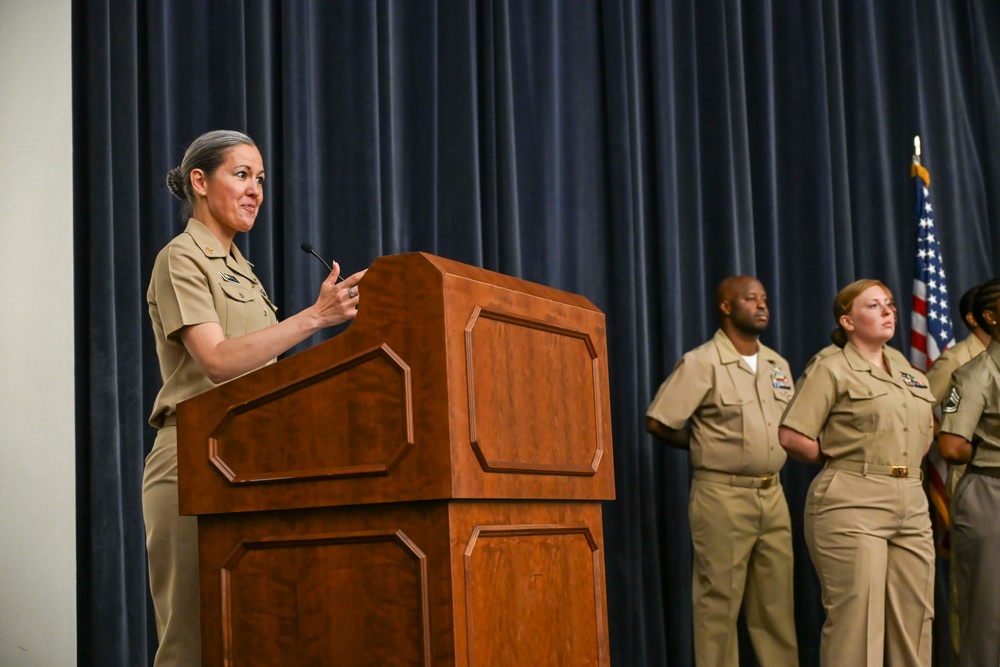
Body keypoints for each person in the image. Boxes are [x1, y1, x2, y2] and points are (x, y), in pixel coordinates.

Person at [142, 130, 366, 666]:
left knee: (248, 636)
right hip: (192, 459)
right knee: (192, 641)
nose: (255, 191)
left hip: (251, 461)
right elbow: (217, 361)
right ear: (200, 181)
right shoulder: (181, 258)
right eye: (241, 175)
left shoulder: (241, 269)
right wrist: (314, 318)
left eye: (260, 179)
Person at [779, 279, 936, 666]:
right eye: (874, 305)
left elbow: (924, 434)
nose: (888, 311)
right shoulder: (831, 367)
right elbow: (793, 435)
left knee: (915, 620)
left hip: (911, 500)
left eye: (890, 304)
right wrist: (844, 459)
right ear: (847, 322)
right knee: (857, 624)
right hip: (852, 501)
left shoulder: (908, 371)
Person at [646, 276, 799, 666]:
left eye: (764, 298)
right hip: (723, 497)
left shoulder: (777, 364)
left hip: (773, 495)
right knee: (719, 604)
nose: (762, 305)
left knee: (776, 606)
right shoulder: (703, 362)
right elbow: (659, 422)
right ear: (726, 307)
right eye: (750, 299)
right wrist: (705, 446)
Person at [925, 284, 989, 661]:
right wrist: (952, 439)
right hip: (974, 476)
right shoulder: (957, 360)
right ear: (977, 317)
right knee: (973, 584)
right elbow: (919, 407)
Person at [938, 278, 1000, 666]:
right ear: (990, 317)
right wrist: (989, 447)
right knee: (988, 614)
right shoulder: (975, 374)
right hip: (991, 491)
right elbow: (951, 446)